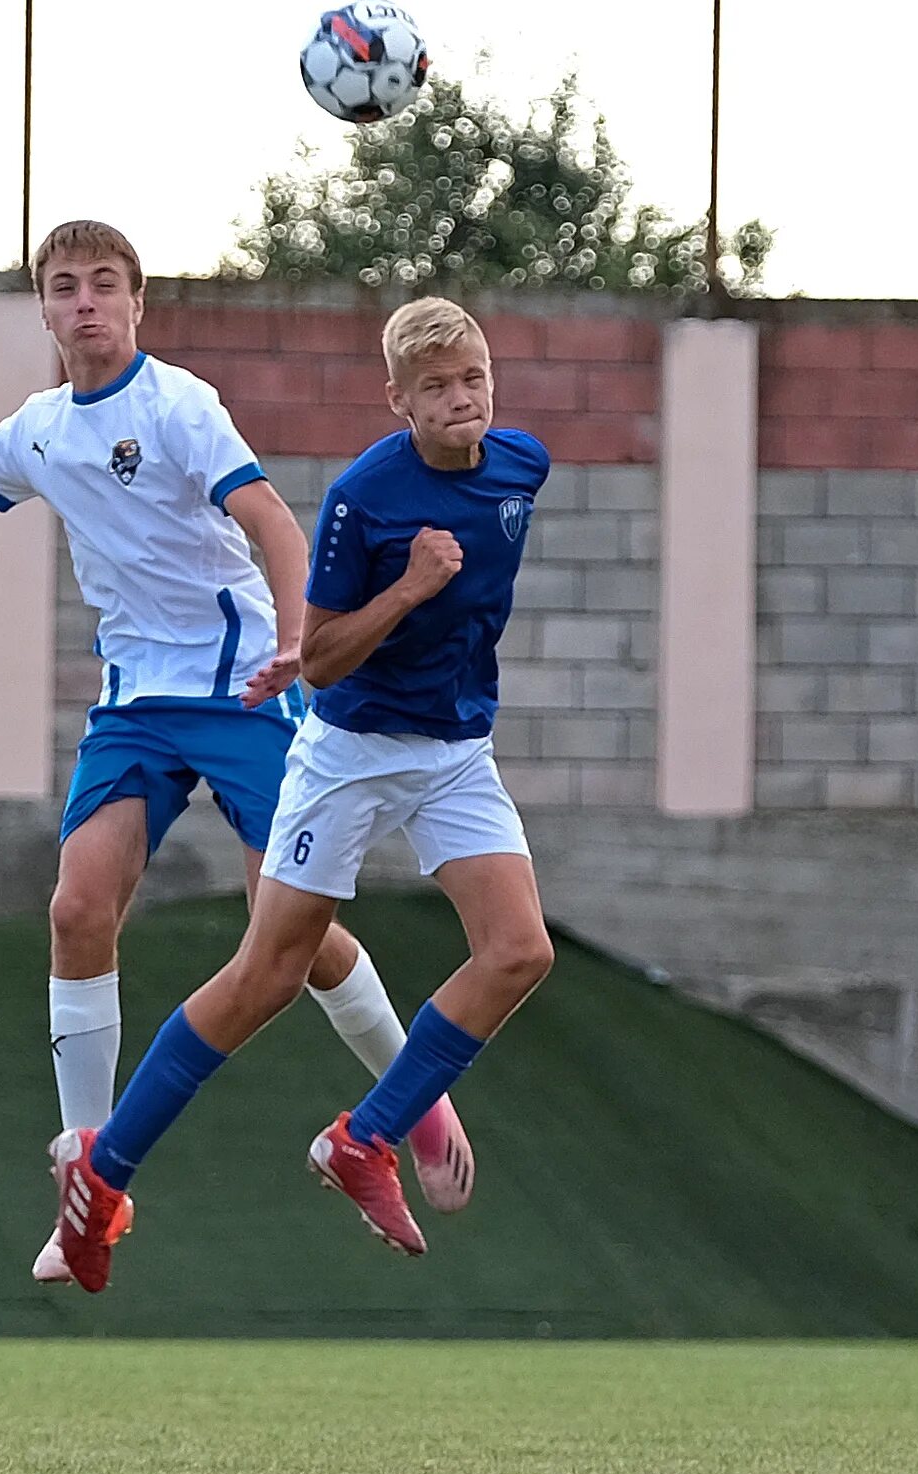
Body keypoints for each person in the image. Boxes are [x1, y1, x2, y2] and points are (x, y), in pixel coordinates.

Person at [0, 221, 473, 1282]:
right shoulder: (40, 428)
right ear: (46, 312)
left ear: (136, 302)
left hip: (241, 687)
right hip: (133, 707)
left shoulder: (178, 406)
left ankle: (411, 1098)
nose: (85, 302)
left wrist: (295, 639)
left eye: (104, 284)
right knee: (73, 907)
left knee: (283, 929)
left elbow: (274, 530)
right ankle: (88, 1182)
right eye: (64, 288)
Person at [46, 296, 556, 1293]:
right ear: (396, 400)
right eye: (436, 387)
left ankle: (363, 1138)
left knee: (518, 951)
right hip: (349, 751)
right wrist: (407, 588)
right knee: (266, 976)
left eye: (474, 378)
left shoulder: (520, 464)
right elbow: (319, 659)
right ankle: (99, 1179)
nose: (462, 400)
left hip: (455, 751)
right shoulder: (366, 497)